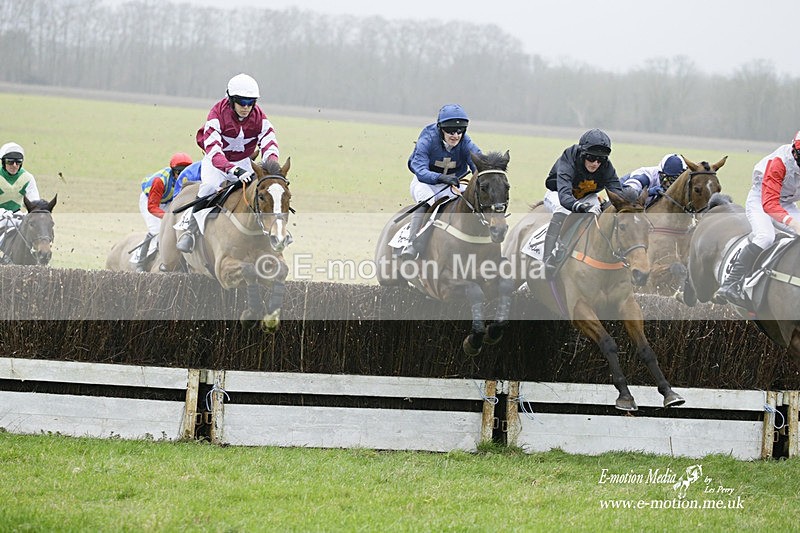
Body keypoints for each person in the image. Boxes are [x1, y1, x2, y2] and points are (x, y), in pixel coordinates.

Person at [176, 73, 280, 253]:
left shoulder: (260, 118)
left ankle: (272, 230)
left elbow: (270, 142)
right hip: (216, 161)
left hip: (244, 161)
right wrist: (235, 170)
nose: (246, 107)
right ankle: (190, 230)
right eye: (241, 102)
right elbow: (215, 151)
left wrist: (271, 167)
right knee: (208, 188)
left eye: (250, 102)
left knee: (264, 190)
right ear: (231, 99)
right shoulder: (216, 114)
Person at [714, 131, 800, 306]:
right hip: (762, 200)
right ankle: (731, 283)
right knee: (765, 236)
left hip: (787, 203)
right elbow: (770, 204)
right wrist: (792, 222)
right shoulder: (779, 163)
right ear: (795, 152)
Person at [400, 103, 482, 259]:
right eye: (450, 131)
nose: (455, 136)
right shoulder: (427, 138)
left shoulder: (465, 142)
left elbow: (478, 162)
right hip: (425, 183)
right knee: (426, 201)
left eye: (460, 131)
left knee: (472, 201)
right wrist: (440, 177)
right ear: (440, 128)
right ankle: (411, 244)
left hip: (451, 185)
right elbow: (419, 168)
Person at [541, 128, 623, 279]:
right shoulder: (569, 157)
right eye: (591, 158)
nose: (595, 163)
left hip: (586, 196)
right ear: (583, 153)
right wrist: (575, 206)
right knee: (562, 210)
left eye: (600, 160)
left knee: (597, 212)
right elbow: (564, 194)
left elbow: (616, 190)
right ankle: (547, 257)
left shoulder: (605, 165)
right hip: (558, 192)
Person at [137, 152, 193, 271]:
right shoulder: (160, 181)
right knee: (156, 229)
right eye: (179, 172)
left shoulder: (190, 177)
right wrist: (167, 217)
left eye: (185, 172)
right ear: (173, 171)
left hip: (168, 200)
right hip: (150, 201)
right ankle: (141, 263)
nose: (182, 176)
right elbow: (152, 207)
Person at [0, 142, 40, 263]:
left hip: (16, 214)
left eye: (18, 162)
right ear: (3, 162)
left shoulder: (28, 178)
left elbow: (34, 203)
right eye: (10, 162)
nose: (14, 165)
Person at [620, 153, 686, 206]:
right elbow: (627, 192)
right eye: (666, 178)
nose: (668, 184)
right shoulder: (645, 176)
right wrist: (648, 192)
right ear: (660, 172)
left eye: (673, 179)